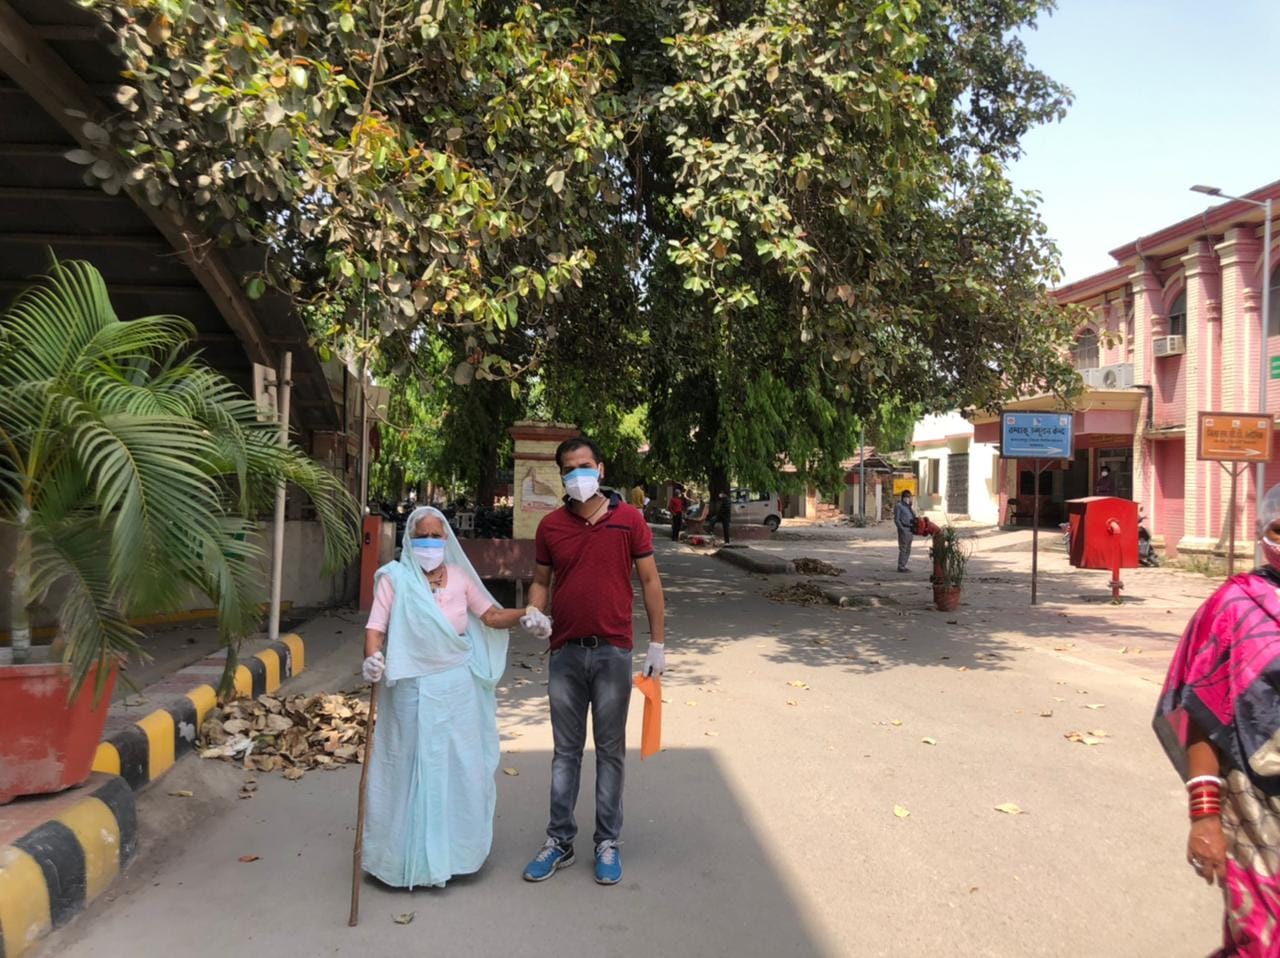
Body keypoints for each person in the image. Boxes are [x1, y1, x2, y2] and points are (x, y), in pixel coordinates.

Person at [359, 506, 534, 888]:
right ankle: (401, 860)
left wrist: (527, 614)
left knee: (459, 765)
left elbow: (490, 616)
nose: (429, 542)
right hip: (410, 689)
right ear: (409, 540)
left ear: (446, 539)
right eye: (421, 536)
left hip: (456, 687)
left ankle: (456, 856)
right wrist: (372, 658)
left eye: (436, 536)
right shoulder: (394, 578)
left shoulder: (459, 577)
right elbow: (376, 629)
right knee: (407, 766)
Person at [521, 436, 666, 886]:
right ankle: (559, 841)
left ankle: (607, 842)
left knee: (609, 751)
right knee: (565, 753)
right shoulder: (551, 527)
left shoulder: (630, 520)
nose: (577, 474)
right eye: (569, 469)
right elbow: (541, 579)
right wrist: (535, 610)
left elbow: (650, 580)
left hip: (613, 652)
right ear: (561, 475)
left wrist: (658, 644)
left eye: (584, 466)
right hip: (565, 651)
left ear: (600, 469)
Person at [1154, 483, 1280, 955]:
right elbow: (1201, 714)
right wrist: (1205, 818)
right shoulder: (1236, 607)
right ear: (1262, 533)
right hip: (1257, 810)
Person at [894, 490, 916, 573]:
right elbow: (897, 519)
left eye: (909, 496)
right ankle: (901, 566)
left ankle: (904, 565)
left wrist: (910, 507)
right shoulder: (899, 506)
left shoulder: (908, 507)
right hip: (904, 529)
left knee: (908, 549)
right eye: (906, 496)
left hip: (910, 529)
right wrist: (901, 528)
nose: (908, 498)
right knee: (903, 548)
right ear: (902, 497)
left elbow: (914, 516)